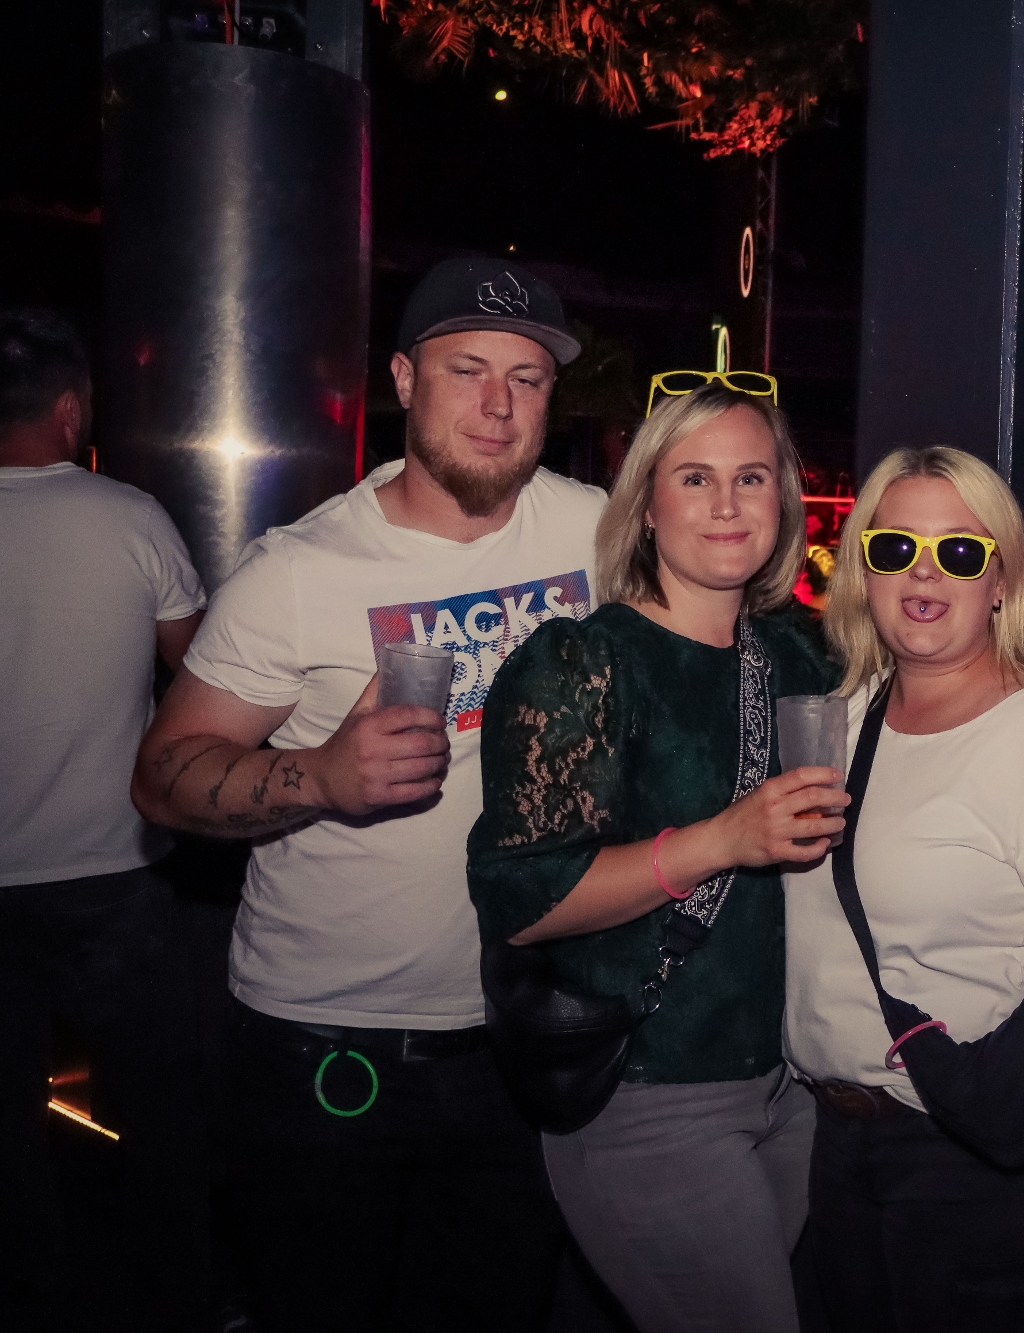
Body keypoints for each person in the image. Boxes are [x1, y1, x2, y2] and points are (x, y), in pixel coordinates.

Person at [130, 258, 603, 1333]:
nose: (497, 404)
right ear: (402, 379)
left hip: (523, 1041)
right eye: (467, 370)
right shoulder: (302, 570)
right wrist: (323, 777)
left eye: (527, 378)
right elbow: (161, 776)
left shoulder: (597, 530)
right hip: (329, 1052)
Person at [466, 382, 840, 1333]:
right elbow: (523, 900)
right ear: (646, 505)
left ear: (783, 498)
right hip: (651, 1087)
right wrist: (725, 838)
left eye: (751, 477)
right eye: (695, 478)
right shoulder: (584, 663)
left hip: (792, 1084)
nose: (727, 504)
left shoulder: (801, 657)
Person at [784, 446, 1024, 1333]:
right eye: (895, 548)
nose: (924, 572)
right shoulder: (841, 718)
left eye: (959, 552)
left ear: (1001, 581)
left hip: (972, 1156)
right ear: (862, 570)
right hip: (833, 1144)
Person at [0, 309, 209, 1331]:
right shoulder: (130, 517)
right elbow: (204, 676)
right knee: (162, 1108)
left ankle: (32, 1297)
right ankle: (179, 1298)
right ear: (72, 409)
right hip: (111, 873)